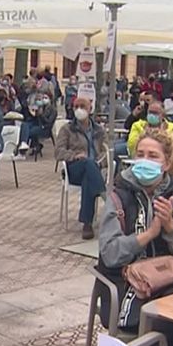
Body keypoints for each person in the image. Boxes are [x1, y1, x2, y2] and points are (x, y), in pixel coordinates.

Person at [96, 130, 173, 346]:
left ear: (166, 164)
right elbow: (110, 254)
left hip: (170, 281)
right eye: (141, 154)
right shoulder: (118, 196)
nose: (145, 160)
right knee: (163, 316)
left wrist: (171, 227)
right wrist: (149, 234)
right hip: (126, 286)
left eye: (153, 156)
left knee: (171, 307)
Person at [55, 97, 108, 240]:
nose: (79, 109)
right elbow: (58, 152)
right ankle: (107, 199)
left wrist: (100, 162)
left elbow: (106, 152)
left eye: (82, 106)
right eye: (76, 106)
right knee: (87, 164)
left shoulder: (99, 130)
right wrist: (74, 155)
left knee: (88, 176)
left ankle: (87, 224)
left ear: (90, 109)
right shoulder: (67, 129)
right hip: (74, 169)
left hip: (93, 169)